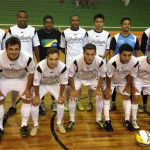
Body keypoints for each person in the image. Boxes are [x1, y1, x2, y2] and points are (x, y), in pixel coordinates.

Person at [5, 10, 40, 115]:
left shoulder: (32, 30)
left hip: (28, 63)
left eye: (24, 17)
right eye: (20, 17)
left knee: (31, 85)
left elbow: (36, 46)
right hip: (15, 62)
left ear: (27, 18)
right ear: (17, 18)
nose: (22, 19)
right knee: (15, 84)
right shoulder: (12, 30)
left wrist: (37, 61)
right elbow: (6, 46)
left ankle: (35, 103)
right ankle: (13, 105)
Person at [66, 43, 106, 132]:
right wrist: (73, 89)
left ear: (95, 53)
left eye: (92, 54)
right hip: (78, 78)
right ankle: (71, 120)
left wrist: (98, 89)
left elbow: (102, 75)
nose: (90, 57)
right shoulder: (76, 61)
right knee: (72, 96)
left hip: (92, 79)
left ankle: (98, 120)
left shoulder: (100, 61)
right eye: (87, 54)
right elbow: (70, 75)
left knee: (99, 96)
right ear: (83, 52)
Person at [0, 37, 35, 138]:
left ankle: (23, 125)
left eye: (16, 49)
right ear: (6, 48)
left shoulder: (27, 57)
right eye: (11, 49)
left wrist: (28, 89)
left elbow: (32, 74)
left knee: (27, 99)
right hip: (5, 78)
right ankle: (0, 127)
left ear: (20, 49)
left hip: (21, 79)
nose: (14, 52)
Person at [32, 48, 68, 135]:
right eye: (51, 59)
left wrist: (61, 95)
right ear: (46, 58)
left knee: (60, 101)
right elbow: (36, 83)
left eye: (56, 59)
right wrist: (36, 96)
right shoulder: (40, 66)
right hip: (41, 84)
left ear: (59, 58)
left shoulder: (63, 66)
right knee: (35, 103)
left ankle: (59, 123)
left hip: (54, 83)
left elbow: (63, 82)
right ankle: (35, 125)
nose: (54, 62)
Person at [104, 43, 139, 132]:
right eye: (124, 55)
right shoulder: (112, 62)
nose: (127, 58)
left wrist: (127, 86)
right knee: (107, 96)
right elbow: (108, 76)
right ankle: (107, 121)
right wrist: (108, 87)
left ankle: (127, 121)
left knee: (126, 96)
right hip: (111, 81)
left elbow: (131, 74)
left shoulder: (134, 62)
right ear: (119, 54)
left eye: (129, 55)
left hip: (123, 80)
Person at [110, 17, 140, 111]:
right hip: (118, 65)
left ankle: (131, 102)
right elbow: (112, 51)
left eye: (128, 24)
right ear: (121, 25)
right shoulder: (115, 37)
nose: (127, 25)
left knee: (130, 82)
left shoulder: (134, 38)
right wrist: (111, 62)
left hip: (130, 65)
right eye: (125, 24)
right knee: (115, 83)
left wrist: (137, 64)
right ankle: (113, 102)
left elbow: (137, 51)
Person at [60, 14, 87, 111]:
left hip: (80, 63)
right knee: (68, 85)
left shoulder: (83, 32)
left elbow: (85, 47)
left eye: (76, 20)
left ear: (79, 21)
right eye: (73, 20)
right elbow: (62, 47)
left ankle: (78, 101)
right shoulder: (65, 33)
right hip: (69, 63)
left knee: (78, 83)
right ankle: (67, 102)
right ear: (70, 21)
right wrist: (69, 55)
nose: (75, 22)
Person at [37, 15, 61, 114]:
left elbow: (60, 46)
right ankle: (41, 102)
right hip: (43, 63)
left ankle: (53, 102)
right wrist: (38, 61)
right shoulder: (38, 33)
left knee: (53, 81)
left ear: (53, 23)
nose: (49, 24)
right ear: (43, 23)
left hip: (54, 63)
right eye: (47, 22)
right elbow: (37, 47)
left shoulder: (57, 33)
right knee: (41, 82)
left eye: (50, 22)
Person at [87, 13, 110, 111]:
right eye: (97, 21)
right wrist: (92, 58)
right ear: (94, 22)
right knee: (90, 83)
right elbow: (86, 47)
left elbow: (108, 49)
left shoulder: (107, 34)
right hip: (90, 62)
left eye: (101, 22)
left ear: (103, 23)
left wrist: (101, 58)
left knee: (101, 83)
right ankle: (90, 102)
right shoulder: (89, 33)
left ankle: (102, 102)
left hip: (102, 63)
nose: (99, 23)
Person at [133, 45, 150, 124]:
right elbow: (131, 73)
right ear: (148, 52)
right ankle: (134, 119)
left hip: (149, 81)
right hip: (138, 80)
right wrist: (132, 85)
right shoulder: (138, 60)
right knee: (136, 96)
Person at [138, 28, 150, 113]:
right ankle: (144, 104)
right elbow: (142, 46)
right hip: (147, 60)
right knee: (143, 81)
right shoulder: (147, 32)